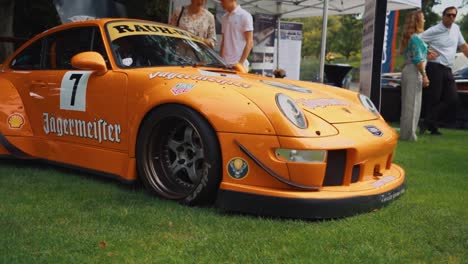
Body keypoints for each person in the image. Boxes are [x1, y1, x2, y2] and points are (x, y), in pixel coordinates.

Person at [420, 6, 468, 135]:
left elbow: (463, 46)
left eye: (454, 15)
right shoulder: (435, 30)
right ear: (443, 16)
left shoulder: (456, 29)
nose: (451, 17)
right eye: (449, 15)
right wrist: (427, 51)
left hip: (448, 69)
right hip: (434, 67)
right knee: (434, 99)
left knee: (452, 98)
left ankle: (427, 121)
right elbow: (417, 40)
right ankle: (433, 127)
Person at [398, 10, 430, 141]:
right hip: (414, 72)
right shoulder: (416, 38)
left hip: (408, 70)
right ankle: (409, 135)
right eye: (422, 18)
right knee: (413, 105)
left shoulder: (410, 37)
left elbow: (409, 56)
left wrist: (427, 53)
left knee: (408, 104)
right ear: (418, 21)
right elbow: (417, 59)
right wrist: (424, 75)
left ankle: (406, 134)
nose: (424, 20)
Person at [219, 0, 253, 70]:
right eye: (220, 1)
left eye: (223, 0)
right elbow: (223, 41)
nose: (221, 3)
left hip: (238, 65)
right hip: (225, 64)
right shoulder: (224, 17)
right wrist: (220, 61)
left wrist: (240, 63)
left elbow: (250, 42)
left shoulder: (245, 16)